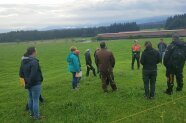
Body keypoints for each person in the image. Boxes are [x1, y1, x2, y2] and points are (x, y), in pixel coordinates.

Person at [19, 47, 44, 120]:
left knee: (30, 99)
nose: (37, 52)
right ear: (33, 52)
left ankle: (32, 114)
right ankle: (36, 117)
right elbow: (33, 75)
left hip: (27, 83)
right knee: (35, 100)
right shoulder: (34, 62)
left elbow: (20, 73)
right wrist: (29, 83)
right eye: (36, 51)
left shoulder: (23, 61)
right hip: (35, 83)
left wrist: (25, 84)